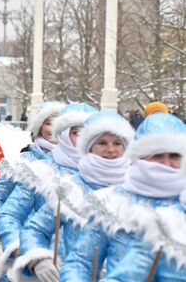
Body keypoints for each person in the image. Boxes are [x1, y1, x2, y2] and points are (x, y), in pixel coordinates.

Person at [61, 112, 186, 281]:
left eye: (174, 156)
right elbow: (81, 262)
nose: (167, 163)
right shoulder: (111, 203)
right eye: (157, 155)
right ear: (141, 157)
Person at [12, 110, 134, 282]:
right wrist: (38, 257)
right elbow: (35, 229)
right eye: (102, 143)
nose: (110, 149)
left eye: (117, 143)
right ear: (90, 146)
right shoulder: (71, 189)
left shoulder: (140, 190)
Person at [0, 103, 95, 280]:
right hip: (41, 271)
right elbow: (5, 210)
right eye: (76, 132)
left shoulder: (114, 179)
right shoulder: (38, 169)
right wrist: (27, 252)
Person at [0, 101, 63, 238]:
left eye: (58, 123)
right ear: (39, 127)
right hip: (31, 245)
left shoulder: (79, 163)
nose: (53, 128)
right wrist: (5, 227)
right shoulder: (25, 161)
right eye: (48, 123)